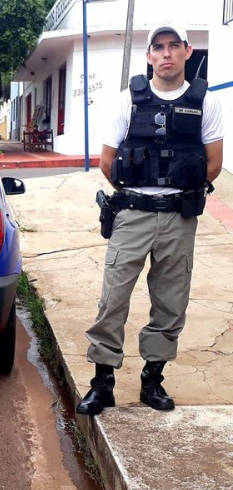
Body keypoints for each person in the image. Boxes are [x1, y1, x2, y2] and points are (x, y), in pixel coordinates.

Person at [78, 25, 224, 416]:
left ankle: (152, 380)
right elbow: (108, 163)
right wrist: (139, 194)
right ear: (149, 56)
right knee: (113, 298)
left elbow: (214, 164)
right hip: (132, 214)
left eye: (173, 46)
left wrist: (177, 187)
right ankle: (103, 382)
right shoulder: (128, 100)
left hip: (179, 217)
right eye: (158, 48)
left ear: (187, 51)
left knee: (171, 302)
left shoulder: (205, 102)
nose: (166, 54)